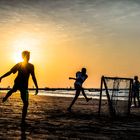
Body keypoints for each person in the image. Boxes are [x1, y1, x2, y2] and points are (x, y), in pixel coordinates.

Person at [0, 51, 38, 124]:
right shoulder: (19, 65)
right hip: (17, 83)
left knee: (26, 103)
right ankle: (6, 97)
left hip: (25, 86)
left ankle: (23, 121)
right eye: (27, 56)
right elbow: (10, 72)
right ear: (23, 57)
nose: (28, 57)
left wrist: (36, 86)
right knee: (13, 90)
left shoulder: (31, 66)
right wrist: (1, 77)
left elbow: (33, 77)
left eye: (29, 56)